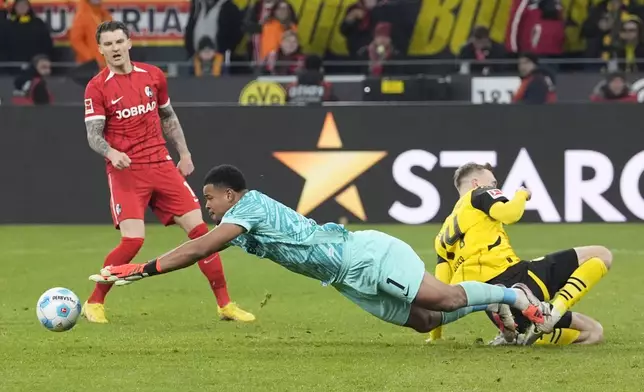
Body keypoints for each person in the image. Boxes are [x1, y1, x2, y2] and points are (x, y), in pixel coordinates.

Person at [90, 164, 550, 335]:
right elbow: (200, 248)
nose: (205, 205)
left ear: (230, 195)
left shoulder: (246, 208)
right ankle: (498, 307)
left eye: (209, 197)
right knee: (423, 321)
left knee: (443, 298)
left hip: (361, 255)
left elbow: (198, 248)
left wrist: (141, 270)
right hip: (342, 277)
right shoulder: (239, 219)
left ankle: (512, 295)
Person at [82, 21, 254, 324]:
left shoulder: (153, 76)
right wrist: (111, 152)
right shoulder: (97, 87)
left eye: (119, 41)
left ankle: (225, 304)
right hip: (127, 170)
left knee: (203, 234)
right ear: (100, 49)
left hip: (160, 164)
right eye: (108, 44)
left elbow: (168, 116)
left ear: (129, 43)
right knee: (133, 241)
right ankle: (94, 302)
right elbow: (93, 134)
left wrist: (184, 153)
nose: (115, 48)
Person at [428, 162, 612, 346]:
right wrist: (522, 194)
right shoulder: (479, 194)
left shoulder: (442, 236)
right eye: (492, 183)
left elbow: (441, 293)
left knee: (592, 332)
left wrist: (435, 336)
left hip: (491, 300)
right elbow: (510, 214)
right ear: (476, 183)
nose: (495, 187)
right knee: (602, 255)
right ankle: (551, 313)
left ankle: (520, 335)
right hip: (518, 280)